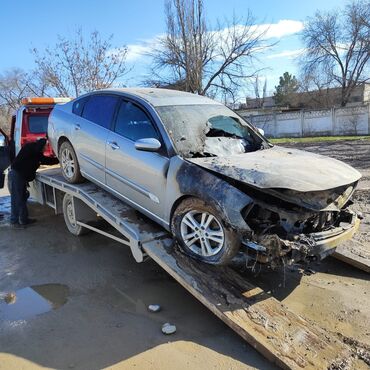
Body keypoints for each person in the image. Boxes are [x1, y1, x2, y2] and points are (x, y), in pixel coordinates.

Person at [9, 138, 58, 228]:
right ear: (41, 145)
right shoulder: (32, 150)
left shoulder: (35, 152)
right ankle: (15, 221)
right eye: (45, 147)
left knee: (22, 198)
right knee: (17, 199)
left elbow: (46, 160)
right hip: (17, 174)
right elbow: (43, 160)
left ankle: (23, 220)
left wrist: (58, 160)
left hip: (20, 176)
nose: (45, 149)